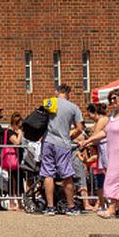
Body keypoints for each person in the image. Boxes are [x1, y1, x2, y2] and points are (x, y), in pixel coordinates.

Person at [82, 88, 119, 218]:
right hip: (114, 153)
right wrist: (89, 140)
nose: (112, 101)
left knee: (113, 178)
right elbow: (105, 132)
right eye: (111, 99)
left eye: (115, 98)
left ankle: (111, 208)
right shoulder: (113, 115)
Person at [40, 84, 84, 215]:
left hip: (47, 141)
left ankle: (50, 207)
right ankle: (71, 207)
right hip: (63, 143)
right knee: (67, 175)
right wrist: (71, 136)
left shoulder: (49, 102)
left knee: (48, 174)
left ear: (57, 92)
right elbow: (80, 128)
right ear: (68, 93)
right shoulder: (73, 107)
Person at [3, 112, 24, 210]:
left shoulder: (15, 131)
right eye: (19, 123)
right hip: (12, 159)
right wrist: (20, 133)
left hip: (18, 159)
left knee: (19, 181)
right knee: (13, 181)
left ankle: (20, 203)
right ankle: (12, 203)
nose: (20, 125)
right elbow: (16, 142)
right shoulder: (10, 132)